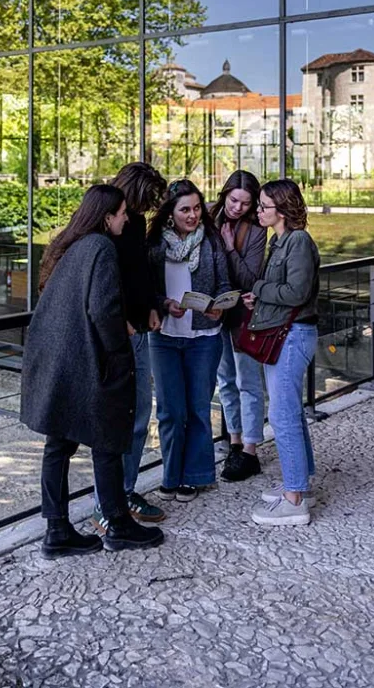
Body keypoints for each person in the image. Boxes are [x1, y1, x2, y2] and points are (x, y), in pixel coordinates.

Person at [20, 185, 164, 555]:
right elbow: (103, 309)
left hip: (59, 360)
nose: (127, 218)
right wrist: (120, 349)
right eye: (121, 213)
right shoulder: (100, 247)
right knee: (108, 441)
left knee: (59, 444)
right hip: (89, 360)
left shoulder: (69, 246)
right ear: (106, 217)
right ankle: (117, 524)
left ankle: (57, 531)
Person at [91, 162, 167, 533]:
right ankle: (107, 502)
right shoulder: (105, 226)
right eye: (148, 197)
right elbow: (103, 284)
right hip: (116, 333)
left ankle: (125, 489)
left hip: (138, 327)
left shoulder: (133, 224)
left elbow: (140, 272)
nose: (151, 205)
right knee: (118, 417)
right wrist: (119, 320)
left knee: (140, 414)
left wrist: (151, 305)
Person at [242, 179, 320, 528]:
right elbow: (285, 291)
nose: (258, 211)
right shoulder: (282, 241)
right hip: (287, 334)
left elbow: (296, 291)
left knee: (283, 415)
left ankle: (294, 500)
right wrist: (260, 298)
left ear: (283, 208)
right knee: (290, 412)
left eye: (263, 206)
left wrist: (259, 288)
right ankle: (299, 484)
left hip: (294, 336)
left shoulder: (298, 241)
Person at [148, 179, 231, 501]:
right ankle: (170, 475)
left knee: (198, 409)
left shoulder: (210, 241)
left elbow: (224, 282)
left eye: (197, 208)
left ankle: (193, 476)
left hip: (204, 338)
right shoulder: (154, 245)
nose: (193, 215)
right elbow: (145, 290)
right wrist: (164, 304)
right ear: (170, 213)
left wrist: (219, 306)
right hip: (165, 337)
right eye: (185, 209)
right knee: (170, 411)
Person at [210, 171, 267, 482]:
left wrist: (230, 248)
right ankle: (233, 440)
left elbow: (249, 278)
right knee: (225, 380)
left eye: (246, 203)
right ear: (225, 194)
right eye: (233, 200)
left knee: (249, 382)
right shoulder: (207, 213)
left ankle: (250, 450)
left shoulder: (256, 229)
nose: (238, 207)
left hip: (244, 314)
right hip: (215, 311)